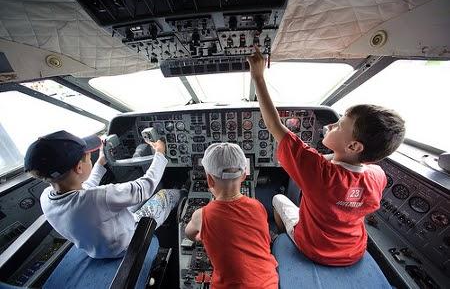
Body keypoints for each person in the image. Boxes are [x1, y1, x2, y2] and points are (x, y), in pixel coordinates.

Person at [247, 48, 405, 266]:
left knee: (277, 199)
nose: (330, 125)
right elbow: (343, 168)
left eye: (339, 125)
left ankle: (283, 239)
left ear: (353, 145)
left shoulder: (318, 172)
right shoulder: (377, 175)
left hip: (313, 248)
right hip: (353, 250)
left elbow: (274, 125)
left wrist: (257, 76)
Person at [24, 130, 180, 259]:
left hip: (99, 247)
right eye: (88, 157)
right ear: (79, 167)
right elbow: (144, 188)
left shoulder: (46, 197)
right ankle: (184, 191)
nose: (90, 159)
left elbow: (84, 190)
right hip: (126, 245)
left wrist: (100, 163)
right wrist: (159, 154)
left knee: (131, 202)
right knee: (165, 195)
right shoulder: (99, 197)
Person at [185, 143, 278, 288]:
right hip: (269, 283)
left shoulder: (201, 215)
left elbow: (189, 234)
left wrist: (203, 235)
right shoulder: (258, 206)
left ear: (209, 180)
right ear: (243, 175)